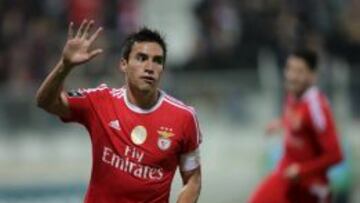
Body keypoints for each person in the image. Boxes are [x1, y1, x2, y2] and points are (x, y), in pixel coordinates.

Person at [36, 19, 202, 203]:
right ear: (124, 64)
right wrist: (65, 66)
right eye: (141, 58)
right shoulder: (100, 101)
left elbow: (192, 179)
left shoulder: (184, 117)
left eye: (157, 61)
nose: (149, 67)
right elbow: (45, 102)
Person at [248, 49, 343, 203]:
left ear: (313, 76)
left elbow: (336, 155)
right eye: (289, 69)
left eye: (299, 71)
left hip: (310, 186)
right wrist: (281, 123)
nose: (292, 76)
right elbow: (298, 122)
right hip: (286, 176)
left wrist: (302, 170)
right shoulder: (292, 95)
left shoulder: (317, 108)